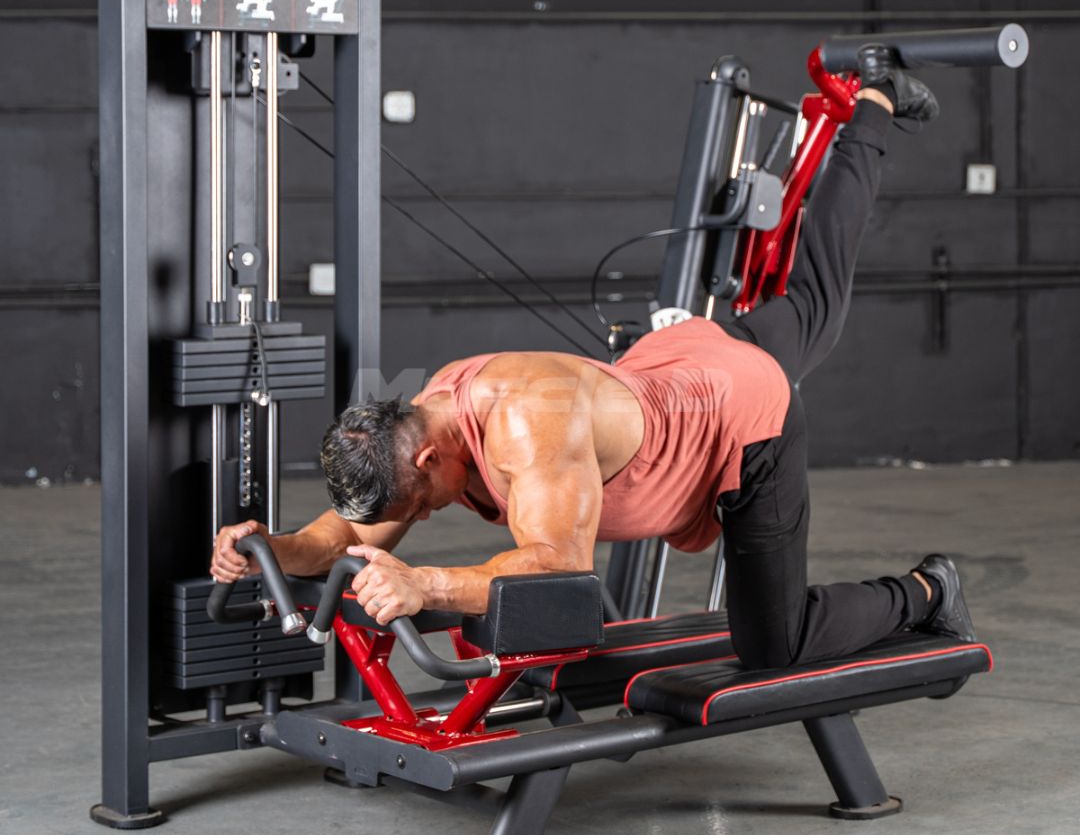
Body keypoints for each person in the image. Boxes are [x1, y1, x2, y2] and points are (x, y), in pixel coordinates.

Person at [210, 46, 975, 669]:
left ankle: (927, 590)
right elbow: (346, 536)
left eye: (417, 505)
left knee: (775, 645)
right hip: (681, 357)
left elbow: (558, 566)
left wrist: (426, 584)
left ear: (429, 459)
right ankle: (875, 101)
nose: (419, 517)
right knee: (816, 295)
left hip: (743, 418)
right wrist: (266, 549)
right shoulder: (426, 416)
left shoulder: (524, 427)